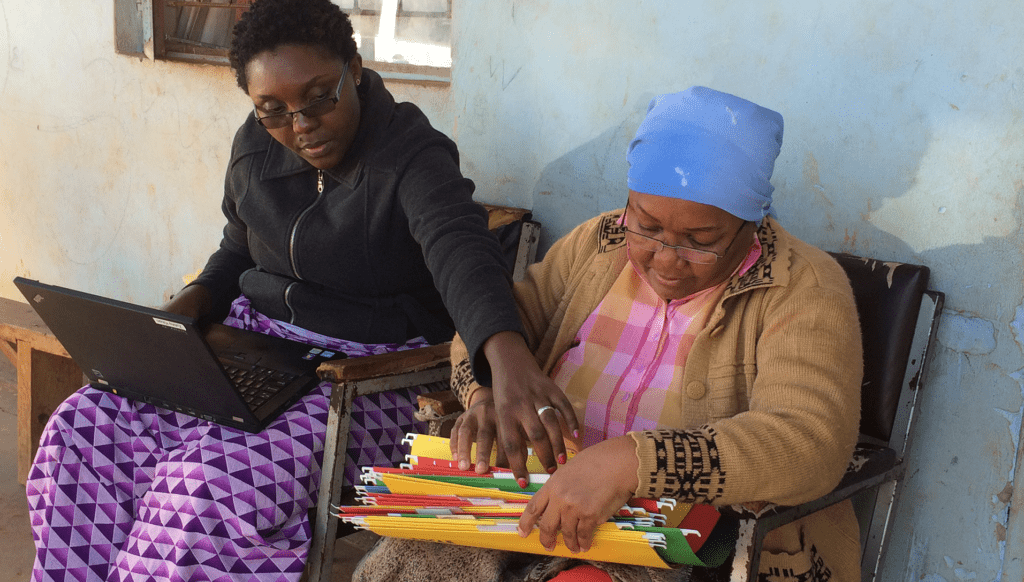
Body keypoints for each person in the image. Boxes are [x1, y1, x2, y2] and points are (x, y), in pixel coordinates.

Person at [24, 0, 572, 580]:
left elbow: (461, 249)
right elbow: (238, 249)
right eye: (274, 110)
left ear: (354, 69)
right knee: (83, 427)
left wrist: (507, 359)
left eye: (319, 97)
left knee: (208, 484)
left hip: (368, 378)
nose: (301, 124)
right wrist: (177, 318)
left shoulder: (411, 154)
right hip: (252, 347)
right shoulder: (257, 143)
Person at [353, 87, 864, 582]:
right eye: (647, 226)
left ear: (750, 223)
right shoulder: (601, 242)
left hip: (684, 531)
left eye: (699, 241)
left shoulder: (802, 287)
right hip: (530, 492)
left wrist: (632, 463)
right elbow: (490, 319)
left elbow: (809, 443)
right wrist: (489, 389)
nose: (665, 258)